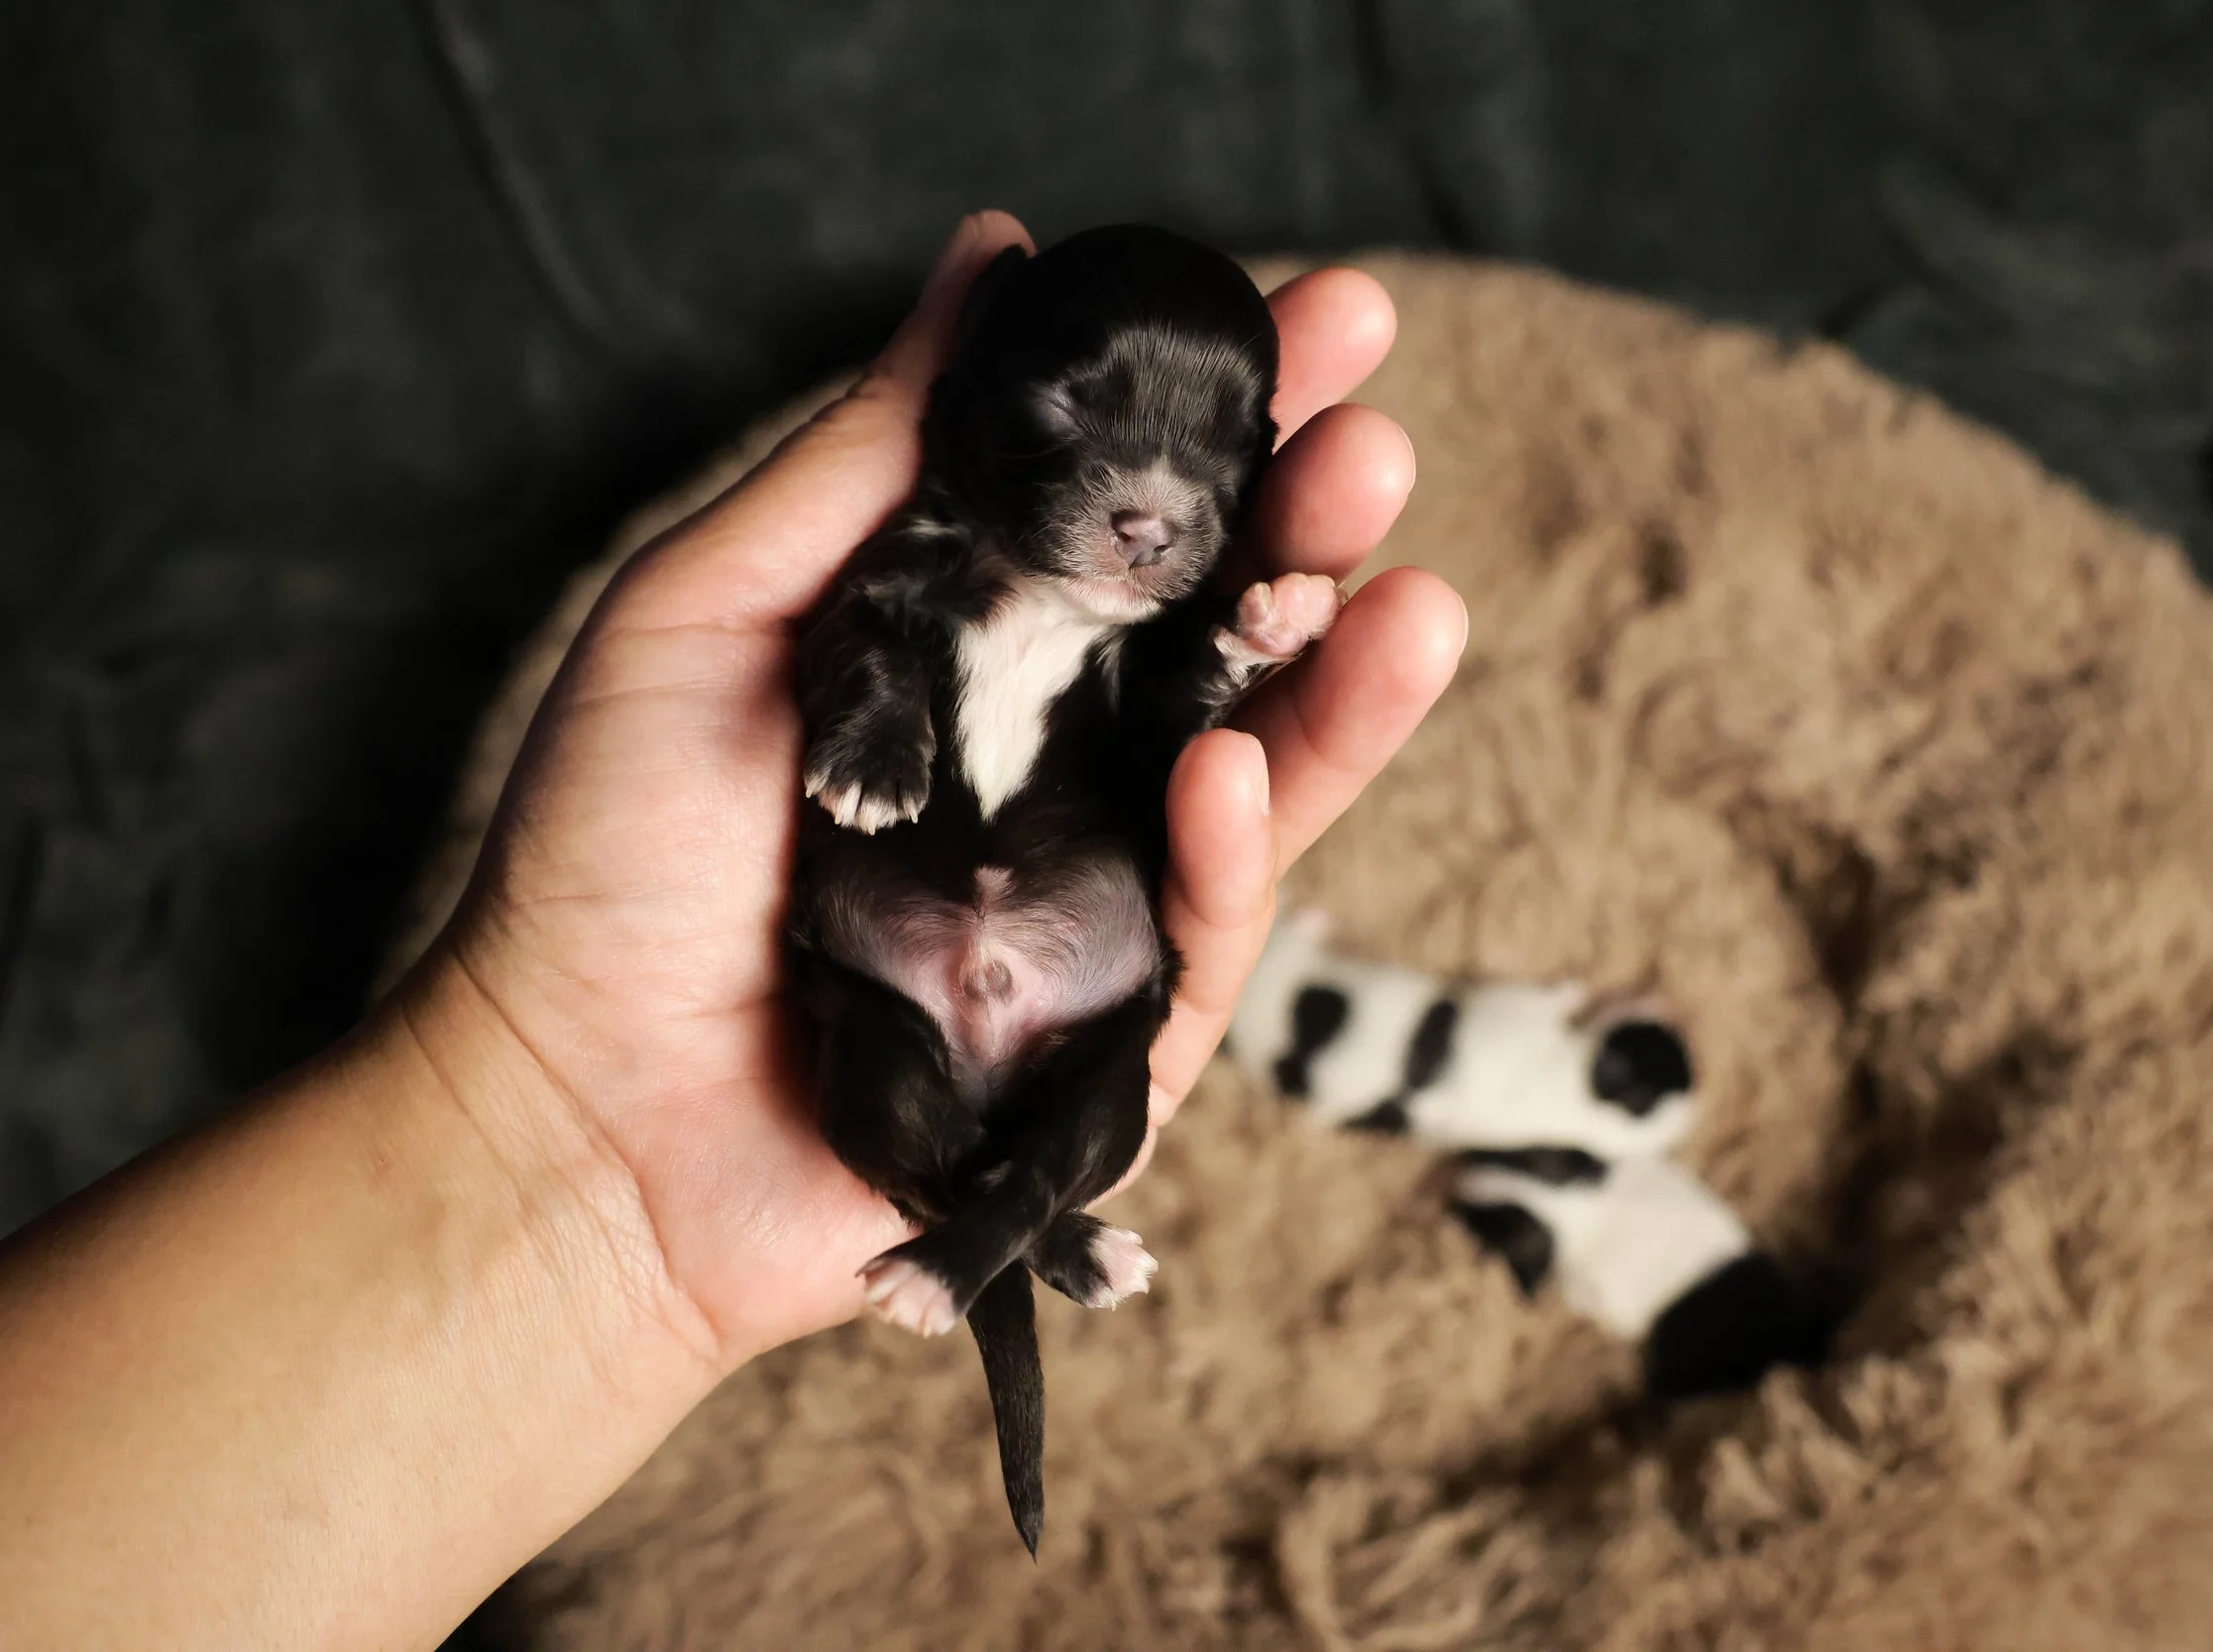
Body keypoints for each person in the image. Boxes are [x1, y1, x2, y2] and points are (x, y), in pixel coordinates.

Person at [0, 212, 1462, 1651]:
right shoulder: (926, 552)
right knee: (875, 1076)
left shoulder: (1155, 621)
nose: (1153, 508)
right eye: (1071, 418)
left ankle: (1017, 1218)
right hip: (883, 959)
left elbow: (1164, 732)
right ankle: (1015, 1222)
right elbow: (868, 627)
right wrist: (872, 714)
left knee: (1124, 1040)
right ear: (970, 377)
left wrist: (1230, 647)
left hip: (1080, 958)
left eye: (1214, 463)